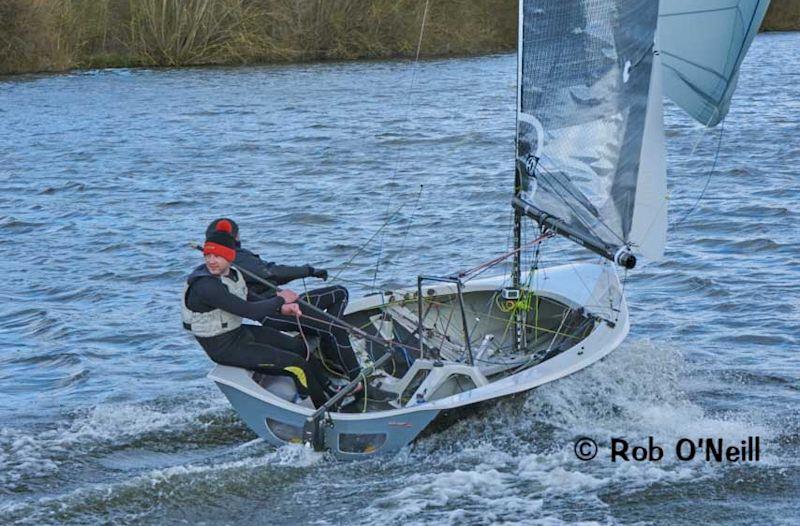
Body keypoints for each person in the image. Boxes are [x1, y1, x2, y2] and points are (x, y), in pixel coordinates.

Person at [181, 225, 333, 407]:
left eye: (218, 256)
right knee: (296, 365)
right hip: (223, 347)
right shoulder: (206, 286)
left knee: (299, 347)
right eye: (208, 256)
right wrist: (280, 299)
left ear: (230, 256)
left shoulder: (233, 273)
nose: (211, 261)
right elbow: (250, 311)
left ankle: (330, 388)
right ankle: (324, 409)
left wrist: (283, 308)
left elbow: (248, 297)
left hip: (238, 333)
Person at [205, 218, 363, 383]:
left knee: (339, 292)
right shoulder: (235, 259)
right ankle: (358, 381)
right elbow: (272, 272)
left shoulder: (231, 258)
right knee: (335, 328)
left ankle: (327, 346)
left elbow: (270, 275)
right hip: (276, 311)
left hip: (281, 303)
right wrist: (309, 270)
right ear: (235, 237)